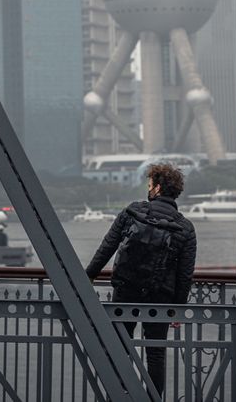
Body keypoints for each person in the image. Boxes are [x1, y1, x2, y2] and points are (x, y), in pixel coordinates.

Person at [85, 162, 197, 397]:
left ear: (157, 188)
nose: (148, 189)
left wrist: (89, 277)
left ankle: (120, 393)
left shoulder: (131, 212)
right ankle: (152, 398)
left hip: (125, 291)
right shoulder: (185, 228)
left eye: (149, 185)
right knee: (155, 352)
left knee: (120, 345)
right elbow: (184, 275)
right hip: (160, 297)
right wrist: (177, 309)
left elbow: (106, 248)